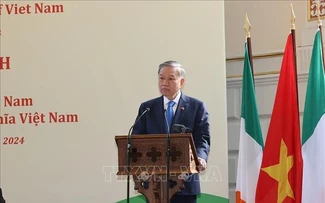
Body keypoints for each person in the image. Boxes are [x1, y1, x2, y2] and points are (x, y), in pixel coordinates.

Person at [131, 60, 210, 203]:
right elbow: (136, 139)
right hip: (154, 185)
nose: (164, 83)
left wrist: (200, 157)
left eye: (170, 78)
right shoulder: (147, 108)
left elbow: (202, 138)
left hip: (185, 183)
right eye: (161, 78)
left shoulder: (196, 107)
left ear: (182, 81)